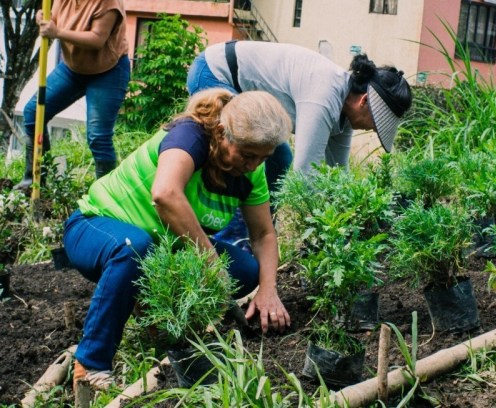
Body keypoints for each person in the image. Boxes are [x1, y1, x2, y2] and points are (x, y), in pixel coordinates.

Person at [63, 89, 293, 389]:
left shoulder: (251, 172)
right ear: (222, 132)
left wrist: (268, 290)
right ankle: (91, 364)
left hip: (161, 245)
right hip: (96, 228)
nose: (253, 166)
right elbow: (165, 194)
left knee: (245, 271)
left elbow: (263, 234)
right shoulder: (190, 136)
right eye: (248, 155)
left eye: (264, 158)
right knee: (134, 249)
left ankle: (164, 325)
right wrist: (210, 261)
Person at [187, 40, 413, 248]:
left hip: (238, 86)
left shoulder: (344, 112)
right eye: (376, 122)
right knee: (242, 159)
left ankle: (260, 235)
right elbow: (306, 175)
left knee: (279, 159)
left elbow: (338, 177)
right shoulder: (324, 97)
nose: (373, 129)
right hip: (216, 73)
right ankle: (232, 244)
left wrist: (356, 221)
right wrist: (325, 235)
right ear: (364, 101)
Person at [14, 0, 130, 192]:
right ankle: (33, 180)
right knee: (33, 112)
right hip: (72, 68)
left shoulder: (108, 2)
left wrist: (57, 32)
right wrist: (43, 19)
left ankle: (107, 195)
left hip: (108, 71)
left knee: (98, 136)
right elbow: (54, 18)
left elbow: (97, 39)